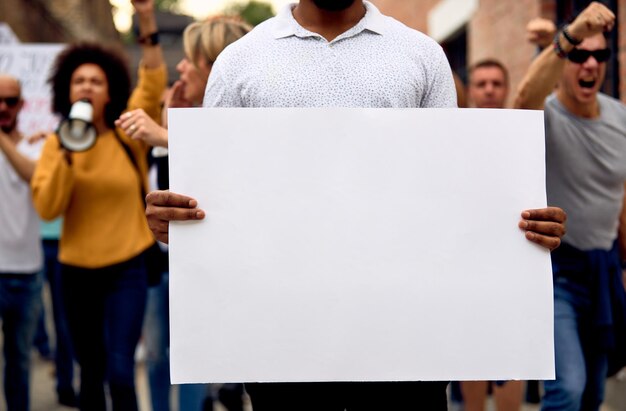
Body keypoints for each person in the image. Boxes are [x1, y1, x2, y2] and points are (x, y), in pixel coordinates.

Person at [145, 1, 567, 409]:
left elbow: (451, 194)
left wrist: (519, 226)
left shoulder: (421, 55)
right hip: (283, 347)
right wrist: (179, 221)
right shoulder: (240, 61)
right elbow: (219, 197)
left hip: (404, 349)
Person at [29, 0, 167, 409]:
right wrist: (71, 150)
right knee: (90, 371)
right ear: (66, 92)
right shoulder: (56, 145)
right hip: (76, 273)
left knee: (121, 372)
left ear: (110, 92)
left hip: (127, 267)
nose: (87, 86)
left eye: (96, 81)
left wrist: (145, 17)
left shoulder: (128, 134)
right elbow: (48, 208)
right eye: (79, 81)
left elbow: (155, 79)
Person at [117, 16, 252, 411]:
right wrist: (168, 131)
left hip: (208, 271)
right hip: (163, 266)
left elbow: (225, 185)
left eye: (190, 59)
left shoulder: (240, 124)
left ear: (216, 65)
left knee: (195, 359)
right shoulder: (184, 115)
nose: (181, 66)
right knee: (159, 356)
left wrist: (164, 136)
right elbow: (166, 192)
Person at [514, 2, 626, 411]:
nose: (590, 63)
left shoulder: (620, 119)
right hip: (558, 272)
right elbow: (524, 97)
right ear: (565, 59)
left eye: (600, 55)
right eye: (579, 54)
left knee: (595, 392)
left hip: (604, 270)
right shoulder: (547, 116)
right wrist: (573, 32)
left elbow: (619, 199)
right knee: (569, 390)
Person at [460, 58, 525, 411]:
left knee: (511, 351)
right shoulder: (454, 132)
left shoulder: (524, 131)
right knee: (471, 350)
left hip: (512, 258)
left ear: (507, 88)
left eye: (496, 83)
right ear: (470, 90)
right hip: (466, 256)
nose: (489, 90)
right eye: (481, 83)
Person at [0, 74, 44, 411]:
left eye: (10, 101)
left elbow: (31, 175)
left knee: (20, 361)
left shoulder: (37, 145)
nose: (3, 107)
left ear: (22, 105)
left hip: (28, 272)